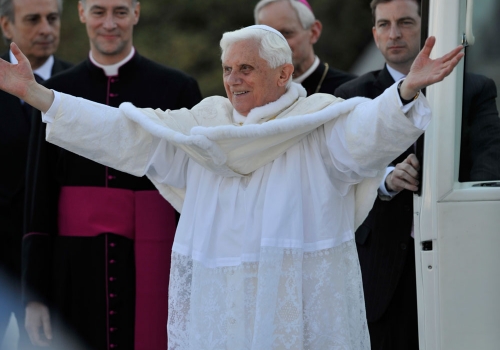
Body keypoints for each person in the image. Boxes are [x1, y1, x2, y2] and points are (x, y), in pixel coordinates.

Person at [0, 24, 463, 349]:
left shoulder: (318, 124)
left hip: (292, 302)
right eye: (227, 69)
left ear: (283, 74)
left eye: (246, 68)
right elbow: (124, 132)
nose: (232, 80)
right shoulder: (202, 130)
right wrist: (39, 95)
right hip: (220, 303)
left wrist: (403, 93)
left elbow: (366, 134)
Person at [21, 0, 202, 349]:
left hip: (158, 260)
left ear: (136, 13)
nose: (109, 23)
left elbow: (193, 196)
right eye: (99, 11)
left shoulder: (178, 88)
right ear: (81, 13)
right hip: (74, 267)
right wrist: (34, 295)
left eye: (120, 12)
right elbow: (38, 197)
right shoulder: (52, 94)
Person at [334, 0, 500, 349]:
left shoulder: (475, 90)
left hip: (455, 255)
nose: (394, 33)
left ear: (425, 27)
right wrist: (385, 178)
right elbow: (338, 175)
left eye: (405, 22)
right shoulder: (351, 96)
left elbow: (490, 159)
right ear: (374, 32)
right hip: (379, 270)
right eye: (384, 24)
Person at [0, 0, 71, 348]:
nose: (46, 28)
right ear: (6, 26)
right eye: (33, 19)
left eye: (52, 18)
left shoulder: (81, 88)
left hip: (61, 265)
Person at [254, 0, 355, 96]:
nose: (276, 45)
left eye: (287, 33)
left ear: (314, 32)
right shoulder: (256, 101)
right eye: (268, 37)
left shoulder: (353, 90)